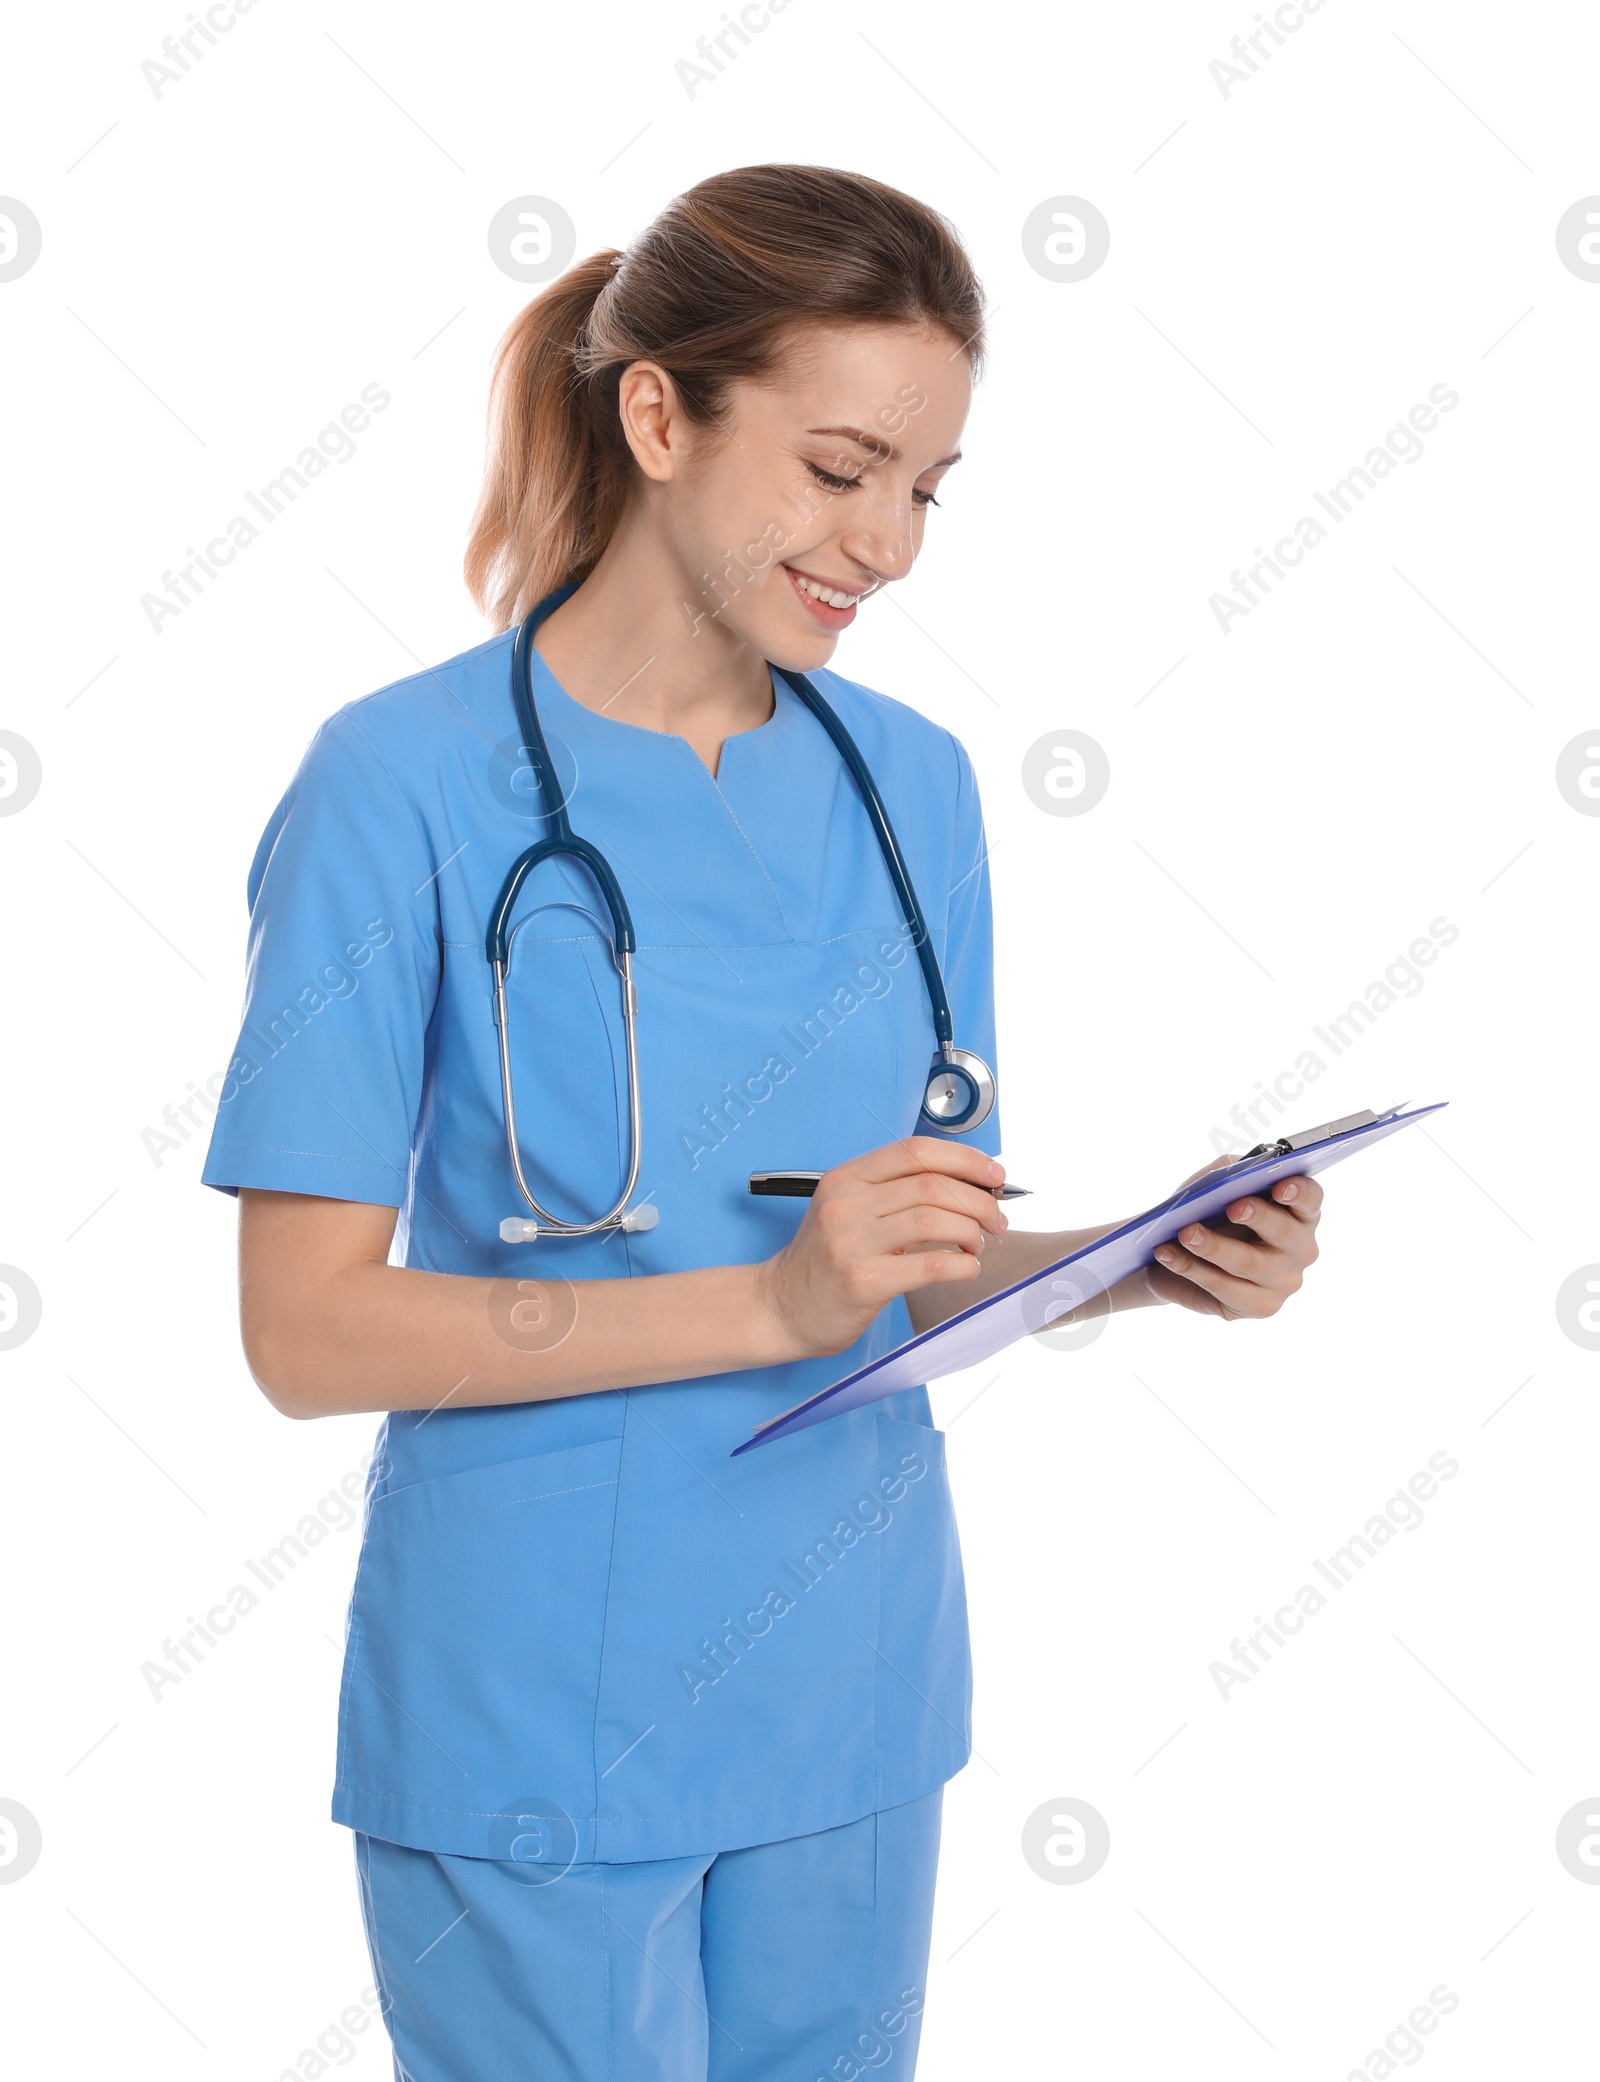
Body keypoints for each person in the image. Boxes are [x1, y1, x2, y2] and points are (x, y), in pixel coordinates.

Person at [203, 164, 1321, 2082]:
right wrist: (772, 1305)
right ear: (658, 416)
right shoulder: (397, 784)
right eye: (838, 466)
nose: (887, 541)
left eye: (926, 487)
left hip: (853, 1690)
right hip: (537, 1700)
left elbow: (903, 1267)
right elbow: (304, 1331)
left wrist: (1146, 1260)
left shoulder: (918, 789)